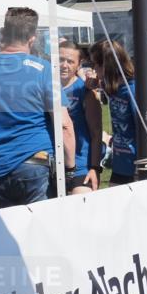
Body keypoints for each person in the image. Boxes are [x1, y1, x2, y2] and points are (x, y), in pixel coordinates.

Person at [0, 7, 75, 211]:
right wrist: (70, 167)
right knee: (39, 233)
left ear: (4, 32)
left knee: (1, 237)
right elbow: (64, 124)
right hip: (35, 164)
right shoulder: (43, 70)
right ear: (32, 37)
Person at [58, 40, 102, 194]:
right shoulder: (46, 88)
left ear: (78, 64)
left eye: (70, 61)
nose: (64, 65)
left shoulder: (85, 92)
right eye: (60, 59)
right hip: (52, 165)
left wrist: (94, 168)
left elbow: (96, 134)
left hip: (80, 165)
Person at [94, 40, 137, 186]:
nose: (94, 68)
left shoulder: (133, 90)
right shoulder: (114, 89)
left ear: (107, 66)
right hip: (120, 162)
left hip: (135, 164)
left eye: (96, 64)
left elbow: (144, 129)